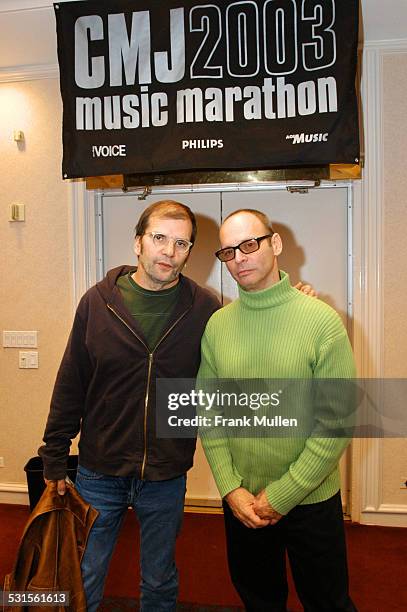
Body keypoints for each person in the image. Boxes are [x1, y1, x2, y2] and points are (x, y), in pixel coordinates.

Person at [39, 200, 220, 612]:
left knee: (159, 580)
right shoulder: (97, 303)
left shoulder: (205, 309)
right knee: (86, 572)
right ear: (138, 242)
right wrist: (54, 454)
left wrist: (289, 295)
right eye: (159, 238)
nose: (169, 252)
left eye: (181, 243)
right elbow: (71, 382)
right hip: (100, 469)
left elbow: (244, 346)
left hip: (166, 471)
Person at [197, 209, 357, 612]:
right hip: (243, 502)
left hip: (311, 499)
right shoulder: (218, 326)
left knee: (328, 603)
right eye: (228, 251)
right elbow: (209, 414)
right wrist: (231, 490)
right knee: (259, 601)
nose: (240, 258)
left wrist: (281, 496)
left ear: (275, 244)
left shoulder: (321, 321)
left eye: (249, 244)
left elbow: (336, 422)